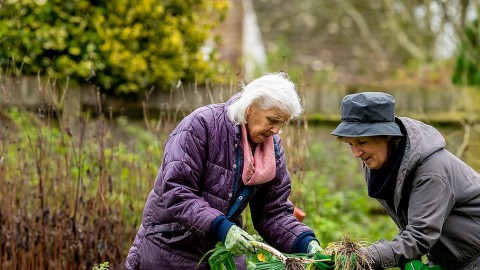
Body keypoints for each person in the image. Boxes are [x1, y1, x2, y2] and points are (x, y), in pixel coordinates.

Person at [125, 72, 327, 270]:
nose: (275, 131)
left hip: (218, 251)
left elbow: (272, 212)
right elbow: (176, 190)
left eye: (281, 124)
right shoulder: (202, 125)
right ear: (250, 109)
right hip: (170, 244)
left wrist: (305, 242)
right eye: (272, 120)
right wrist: (222, 227)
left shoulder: (270, 149)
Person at [328, 92, 480, 270]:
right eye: (350, 144)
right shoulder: (381, 165)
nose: (356, 153)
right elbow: (413, 227)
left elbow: (419, 236)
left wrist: (365, 257)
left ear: (387, 136)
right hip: (453, 258)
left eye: (362, 142)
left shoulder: (430, 171)